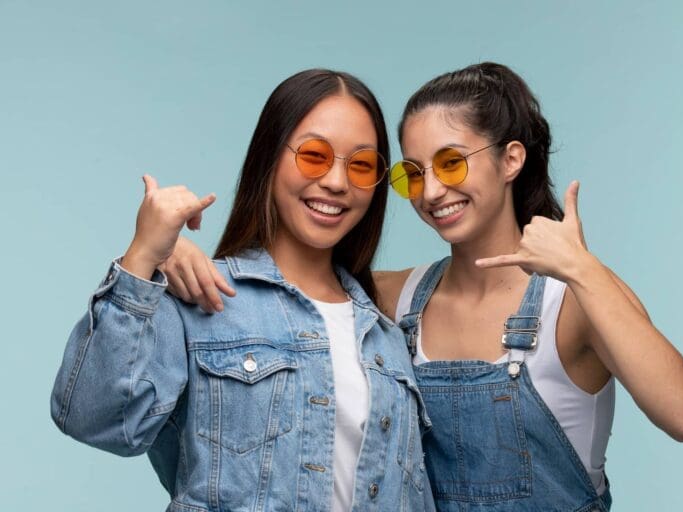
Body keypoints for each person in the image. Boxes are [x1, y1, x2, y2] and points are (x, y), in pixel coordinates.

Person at [164, 62, 683, 511]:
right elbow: (275, 296)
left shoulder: (575, 299)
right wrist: (168, 255)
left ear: (511, 159)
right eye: (413, 173)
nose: (432, 191)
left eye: (451, 163)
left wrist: (583, 268)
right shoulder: (392, 298)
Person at [50, 69, 435, 512]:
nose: (336, 182)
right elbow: (94, 420)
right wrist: (143, 255)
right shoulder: (200, 297)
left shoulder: (386, 335)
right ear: (270, 158)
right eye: (314, 155)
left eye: (362, 165)